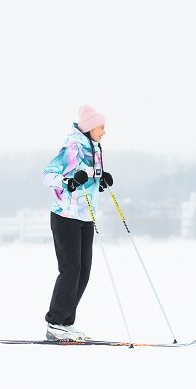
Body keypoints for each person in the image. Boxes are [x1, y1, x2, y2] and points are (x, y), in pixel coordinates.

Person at [41, 104, 114, 341]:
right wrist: (69, 183)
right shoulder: (73, 146)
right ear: (91, 127)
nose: (104, 131)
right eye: (101, 127)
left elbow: (88, 175)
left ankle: (66, 322)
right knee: (70, 270)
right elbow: (48, 174)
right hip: (65, 216)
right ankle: (55, 322)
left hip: (85, 216)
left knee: (83, 272)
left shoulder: (95, 147)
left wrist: (100, 180)